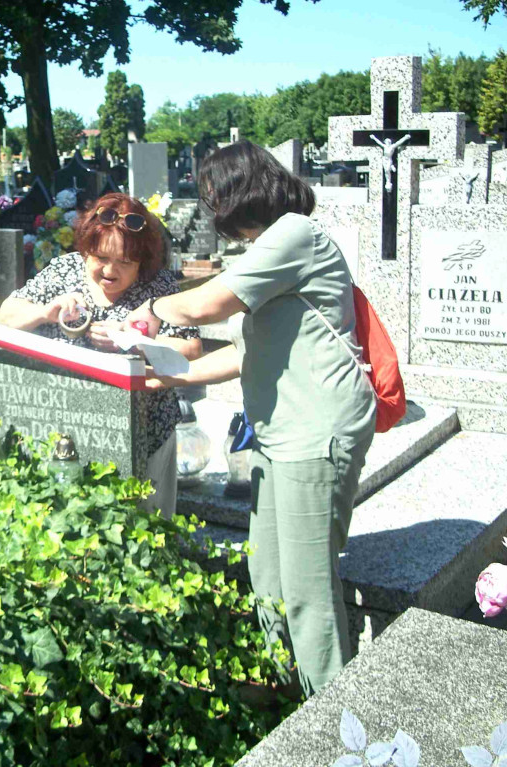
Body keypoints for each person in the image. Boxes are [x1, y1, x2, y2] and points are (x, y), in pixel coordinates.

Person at [126, 140, 376, 696]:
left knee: (307, 587)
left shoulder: (296, 234)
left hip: (316, 430)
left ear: (243, 189)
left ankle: (336, 725)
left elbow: (207, 305)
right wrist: (170, 377)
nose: (212, 207)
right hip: (277, 432)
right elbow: (245, 352)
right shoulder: (268, 249)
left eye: (215, 193)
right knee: (266, 575)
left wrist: (150, 310)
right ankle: (280, 693)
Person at [0, 193, 202, 519]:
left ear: (142, 261)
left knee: (143, 529)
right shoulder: (64, 270)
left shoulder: (159, 285)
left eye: (125, 262)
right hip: (67, 428)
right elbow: (5, 315)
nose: (110, 270)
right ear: (86, 250)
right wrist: (45, 313)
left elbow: (191, 349)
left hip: (144, 435)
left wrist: (134, 342)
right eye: (100, 258)